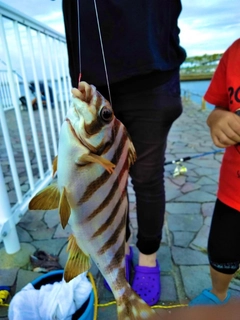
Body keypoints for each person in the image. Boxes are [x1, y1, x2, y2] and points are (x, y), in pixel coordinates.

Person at [62, 0, 186, 306]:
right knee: (103, 183)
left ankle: (147, 258)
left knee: (146, 177)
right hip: (92, 80)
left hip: (153, 70)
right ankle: (119, 251)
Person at [189, 38, 240, 306]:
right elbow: (218, 108)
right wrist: (217, 119)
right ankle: (218, 294)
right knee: (222, 250)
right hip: (233, 192)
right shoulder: (234, 52)